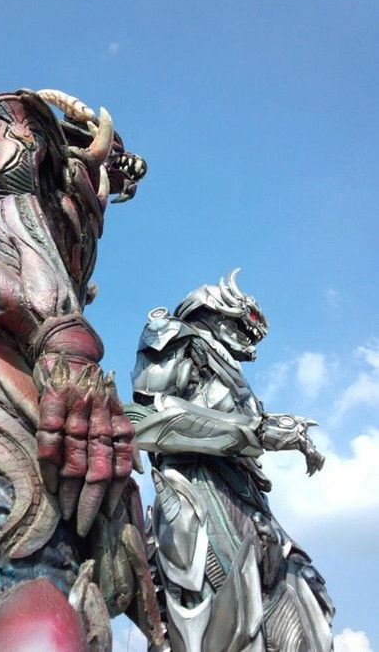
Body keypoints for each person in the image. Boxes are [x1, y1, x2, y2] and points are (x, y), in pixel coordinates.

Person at [126, 269, 334, 652]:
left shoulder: (233, 375)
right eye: (243, 323)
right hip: (199, 494)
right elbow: (144, 419)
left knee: (308, 599)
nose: (249, 336)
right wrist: (256, 431)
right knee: (225, 625)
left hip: (250, 502)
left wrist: (275, 430)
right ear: (216, 312)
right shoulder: (172, 335)